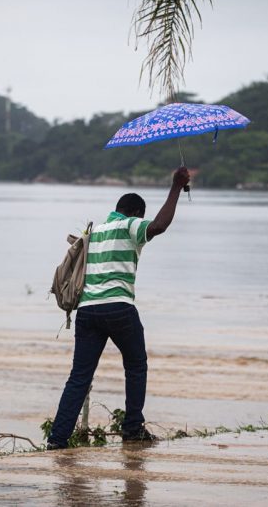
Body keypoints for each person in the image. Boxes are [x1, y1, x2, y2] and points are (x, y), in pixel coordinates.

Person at [47, 166, 191, 449]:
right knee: (136, 365)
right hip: (119, 308)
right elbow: (159, 226)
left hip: (87, 311)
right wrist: (175, 187)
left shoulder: (96, 231)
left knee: (79, 376)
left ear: (117, 208)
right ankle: (133, 429)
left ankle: (57, 439)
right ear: (136, 213)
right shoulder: (128, 225)